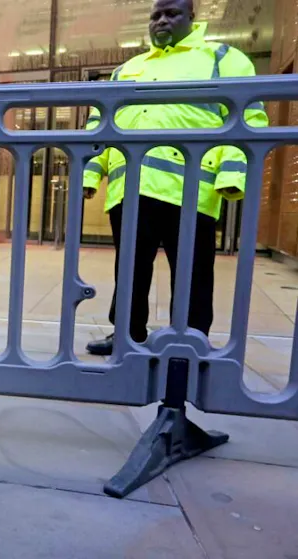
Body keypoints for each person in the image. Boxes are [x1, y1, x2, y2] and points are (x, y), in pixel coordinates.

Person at [83, 0, 269, 355]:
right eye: (155, 15)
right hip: (131, 189)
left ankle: (191, 339)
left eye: (172, 14)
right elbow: (101, 124)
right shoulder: (128, 68)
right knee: (130, 271)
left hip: (190, 191)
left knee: (193, 273)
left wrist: (231, 175)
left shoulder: (222, 58)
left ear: (192, 18)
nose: (162, 21)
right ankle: (126, 334)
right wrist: (91, 174)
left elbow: (248, 117)